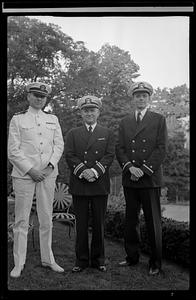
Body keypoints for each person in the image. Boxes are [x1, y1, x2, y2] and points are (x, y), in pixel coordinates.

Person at [8, 82, 64, 278]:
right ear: (28, 97)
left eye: (43, 96)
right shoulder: (18, 120)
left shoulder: (53, 119)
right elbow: (13, 150)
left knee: (46, 218)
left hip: (48, 175)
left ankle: (48, 259)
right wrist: (31, 170)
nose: (40, 99)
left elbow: (59, 145)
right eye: (36, 95)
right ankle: (19, 262)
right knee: (22, 219)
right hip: (24, 175)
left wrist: (49, 167)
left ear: (46, 99)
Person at [116, 81, 168, 275]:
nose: (140, 98)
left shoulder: (159, 119)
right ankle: (132, 257)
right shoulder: (125, 121)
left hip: (150, 178)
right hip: (130, 178)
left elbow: (161, 148)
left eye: (144, 95)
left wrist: (144, 170)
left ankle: (155, 262)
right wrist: (130, 168)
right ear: (133, 99)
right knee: (130, 221)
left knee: (153, 222)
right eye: (137, 95)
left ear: (149, 98)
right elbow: (119, 149)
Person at [65, 95, 115, 273]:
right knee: (81, 225)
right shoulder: (72, 133)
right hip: (79, 185)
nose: (89, 113)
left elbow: (109, 155)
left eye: (92, 110)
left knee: (100, 225)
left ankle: (99, 260)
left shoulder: (107, 133)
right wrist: (83, 171)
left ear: (98, 112)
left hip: (99, 184)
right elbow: (69, 155)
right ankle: (81, 260)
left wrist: (94, 171)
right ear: (81, 113)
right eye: (85, 110)